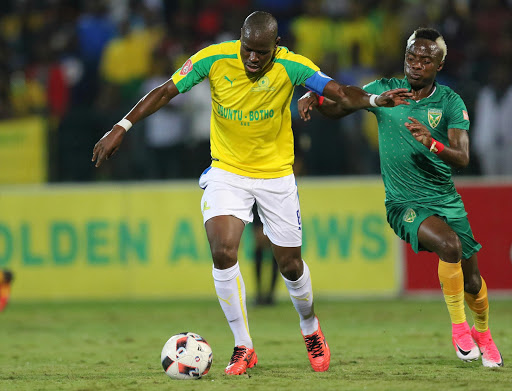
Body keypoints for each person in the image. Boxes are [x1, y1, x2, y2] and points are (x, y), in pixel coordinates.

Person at [92, 11, 411, 375]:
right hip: (227, 171)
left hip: (276, 176)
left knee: (290, 266)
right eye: (247, 50)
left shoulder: (293, 66)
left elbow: (339, 92)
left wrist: (372, 102)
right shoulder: (213, 58)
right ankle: (244, 345)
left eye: (261, 52)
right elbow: (166, 90)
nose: (253, 59)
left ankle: (310, 327)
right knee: (223, 251)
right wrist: (122, 126)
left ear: (276, 47)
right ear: (240, 41)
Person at [298, 27, 503, 368]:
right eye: (411, 57)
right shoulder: (383, 91)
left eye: (425, 60)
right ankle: (459, 330)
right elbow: (343, 104)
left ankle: (484, 334)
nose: (416, 65)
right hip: (403, 204)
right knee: (449, 245)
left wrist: (431, 142)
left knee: (473, 280)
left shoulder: (450, 102)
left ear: (439, 64)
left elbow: (462, 157)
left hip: (445, 200)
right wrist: (317, 99)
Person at [252, 204, 279, 306]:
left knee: (276, 252)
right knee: (259, 250)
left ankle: (270, 294)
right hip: (259, 208)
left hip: (275, 211)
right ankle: (260, 293)